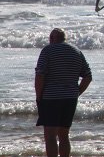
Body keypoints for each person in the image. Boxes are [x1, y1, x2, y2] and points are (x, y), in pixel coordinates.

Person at [35, 28, 92, 157]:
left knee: (50, 135)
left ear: (52, 38)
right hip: (70, 98)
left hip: (51, 98)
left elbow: (40, 76)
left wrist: (39, 96)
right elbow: (88, 76)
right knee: (64, 135)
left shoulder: (47, 51)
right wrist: (76, 92)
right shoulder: (76, 52)